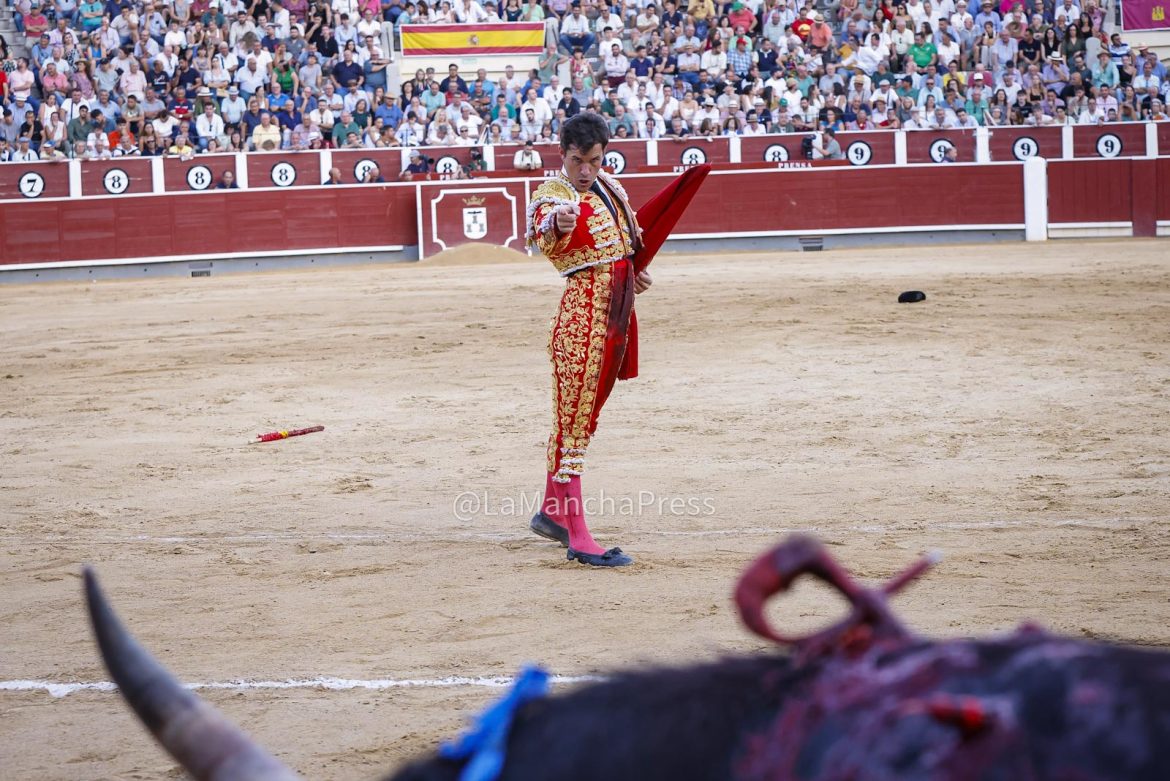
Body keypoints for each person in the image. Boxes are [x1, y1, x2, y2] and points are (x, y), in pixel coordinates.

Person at [524, 113, 652, 568]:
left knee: (579, 420)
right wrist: (559, 222)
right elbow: (546, 231)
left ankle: (551, 512)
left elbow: (620, 248)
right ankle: (578, 535)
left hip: (615, 318)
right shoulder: (553, 194)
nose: (585, 171)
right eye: (577, 161)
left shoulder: (611, 188)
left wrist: (633, 273)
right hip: (581, 323)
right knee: (575, 426)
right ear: (563, 155)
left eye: (594, 161)